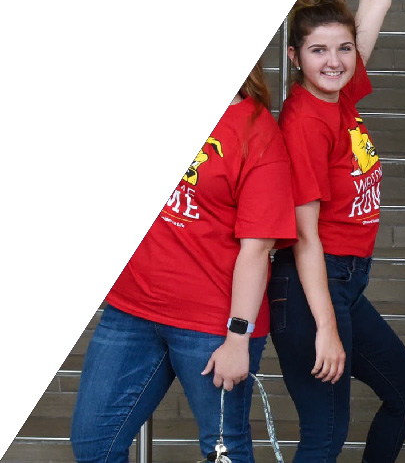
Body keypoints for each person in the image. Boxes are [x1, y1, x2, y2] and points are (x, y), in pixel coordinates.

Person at [268, 0, 405, 462]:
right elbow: (304, 235)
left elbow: (376, 4)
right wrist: (327, 328)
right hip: (312, 286)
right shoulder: (306, 122)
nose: (335, 61)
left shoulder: (341, 98)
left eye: (343, 49)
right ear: (295, 58)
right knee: (325, 436)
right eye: (318, 52)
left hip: (347, 282)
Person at [72, 63, 296, 463]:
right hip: (132, 309)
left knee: (223, 451)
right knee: (94, 444)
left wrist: (238, 338)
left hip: (211, 323)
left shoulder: (256, 131)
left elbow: (257, 248)